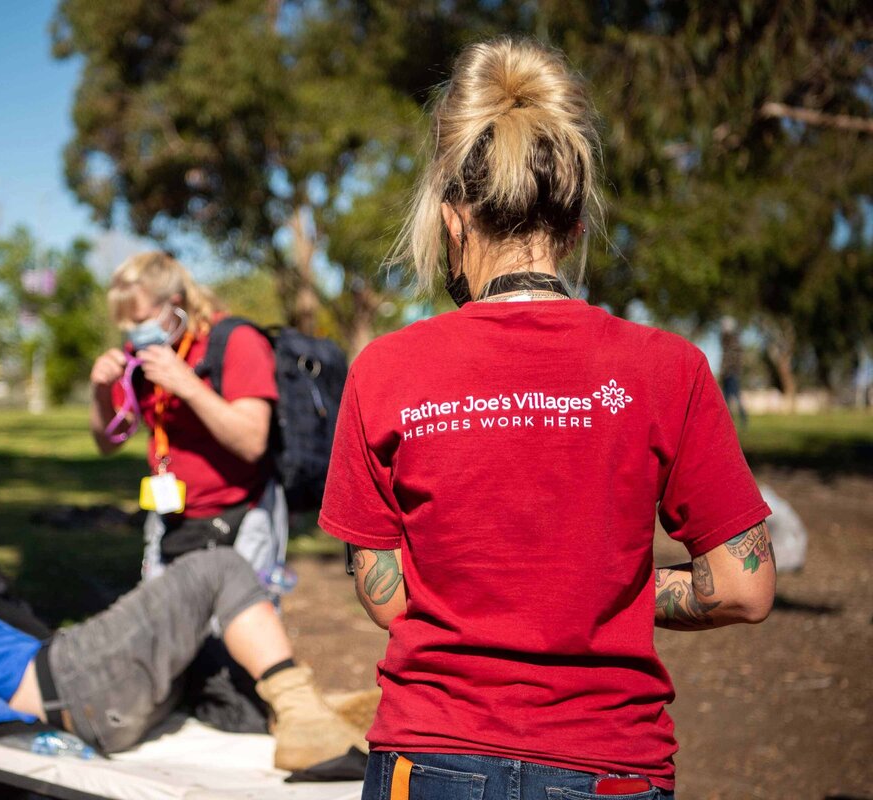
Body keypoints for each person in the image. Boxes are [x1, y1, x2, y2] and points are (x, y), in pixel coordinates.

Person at [318, 37, 775, 800]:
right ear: (573, 225)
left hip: (426, 760)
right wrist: (614, 589)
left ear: (454, 217)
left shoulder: (386, 370)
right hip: (609, 767)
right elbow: (741, 586)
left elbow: (385, 592)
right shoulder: (669, 368)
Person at [0, 533, 365, 770]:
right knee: (216, 565)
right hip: (74, 682)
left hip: (85, 689)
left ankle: (305, 707)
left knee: (209, 645)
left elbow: (33, 631)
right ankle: (301, 709)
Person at [88, 251, 287, 582]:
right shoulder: (141, 356)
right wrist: (100, 390)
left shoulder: (236, 341)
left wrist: (188, 386)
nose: (131, 333)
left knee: (234, 629)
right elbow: (106, 443)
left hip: (242, 514)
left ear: (175, 304)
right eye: (124, 325)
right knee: (165, 625)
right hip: (170, 515)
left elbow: (252, 442)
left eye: (139, 320)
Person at [719, 315, 748, 426]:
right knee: (727, 397)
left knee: (735, 396)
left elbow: (731, 359)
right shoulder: (725, 341)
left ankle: (743, 418)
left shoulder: (733, 342)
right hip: (727, 373)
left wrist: (726, 370)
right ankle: (729, 421)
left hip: (732, 373)